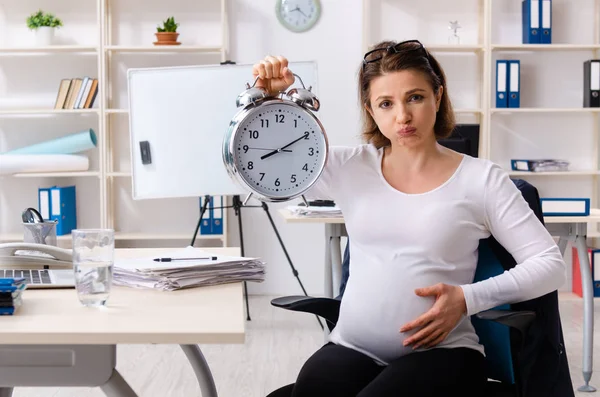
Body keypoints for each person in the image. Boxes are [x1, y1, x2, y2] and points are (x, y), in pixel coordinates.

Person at [253, 40, 566, 397]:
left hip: (444, 354)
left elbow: (549, 265)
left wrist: (468, 298)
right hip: (353, 347)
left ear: (438, 95)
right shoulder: (349, 166)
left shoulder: (482, 179)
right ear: (371, 109)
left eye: (415, 97)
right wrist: (272, 103)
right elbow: (260, 168)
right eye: (386, 103)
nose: (402, 116)